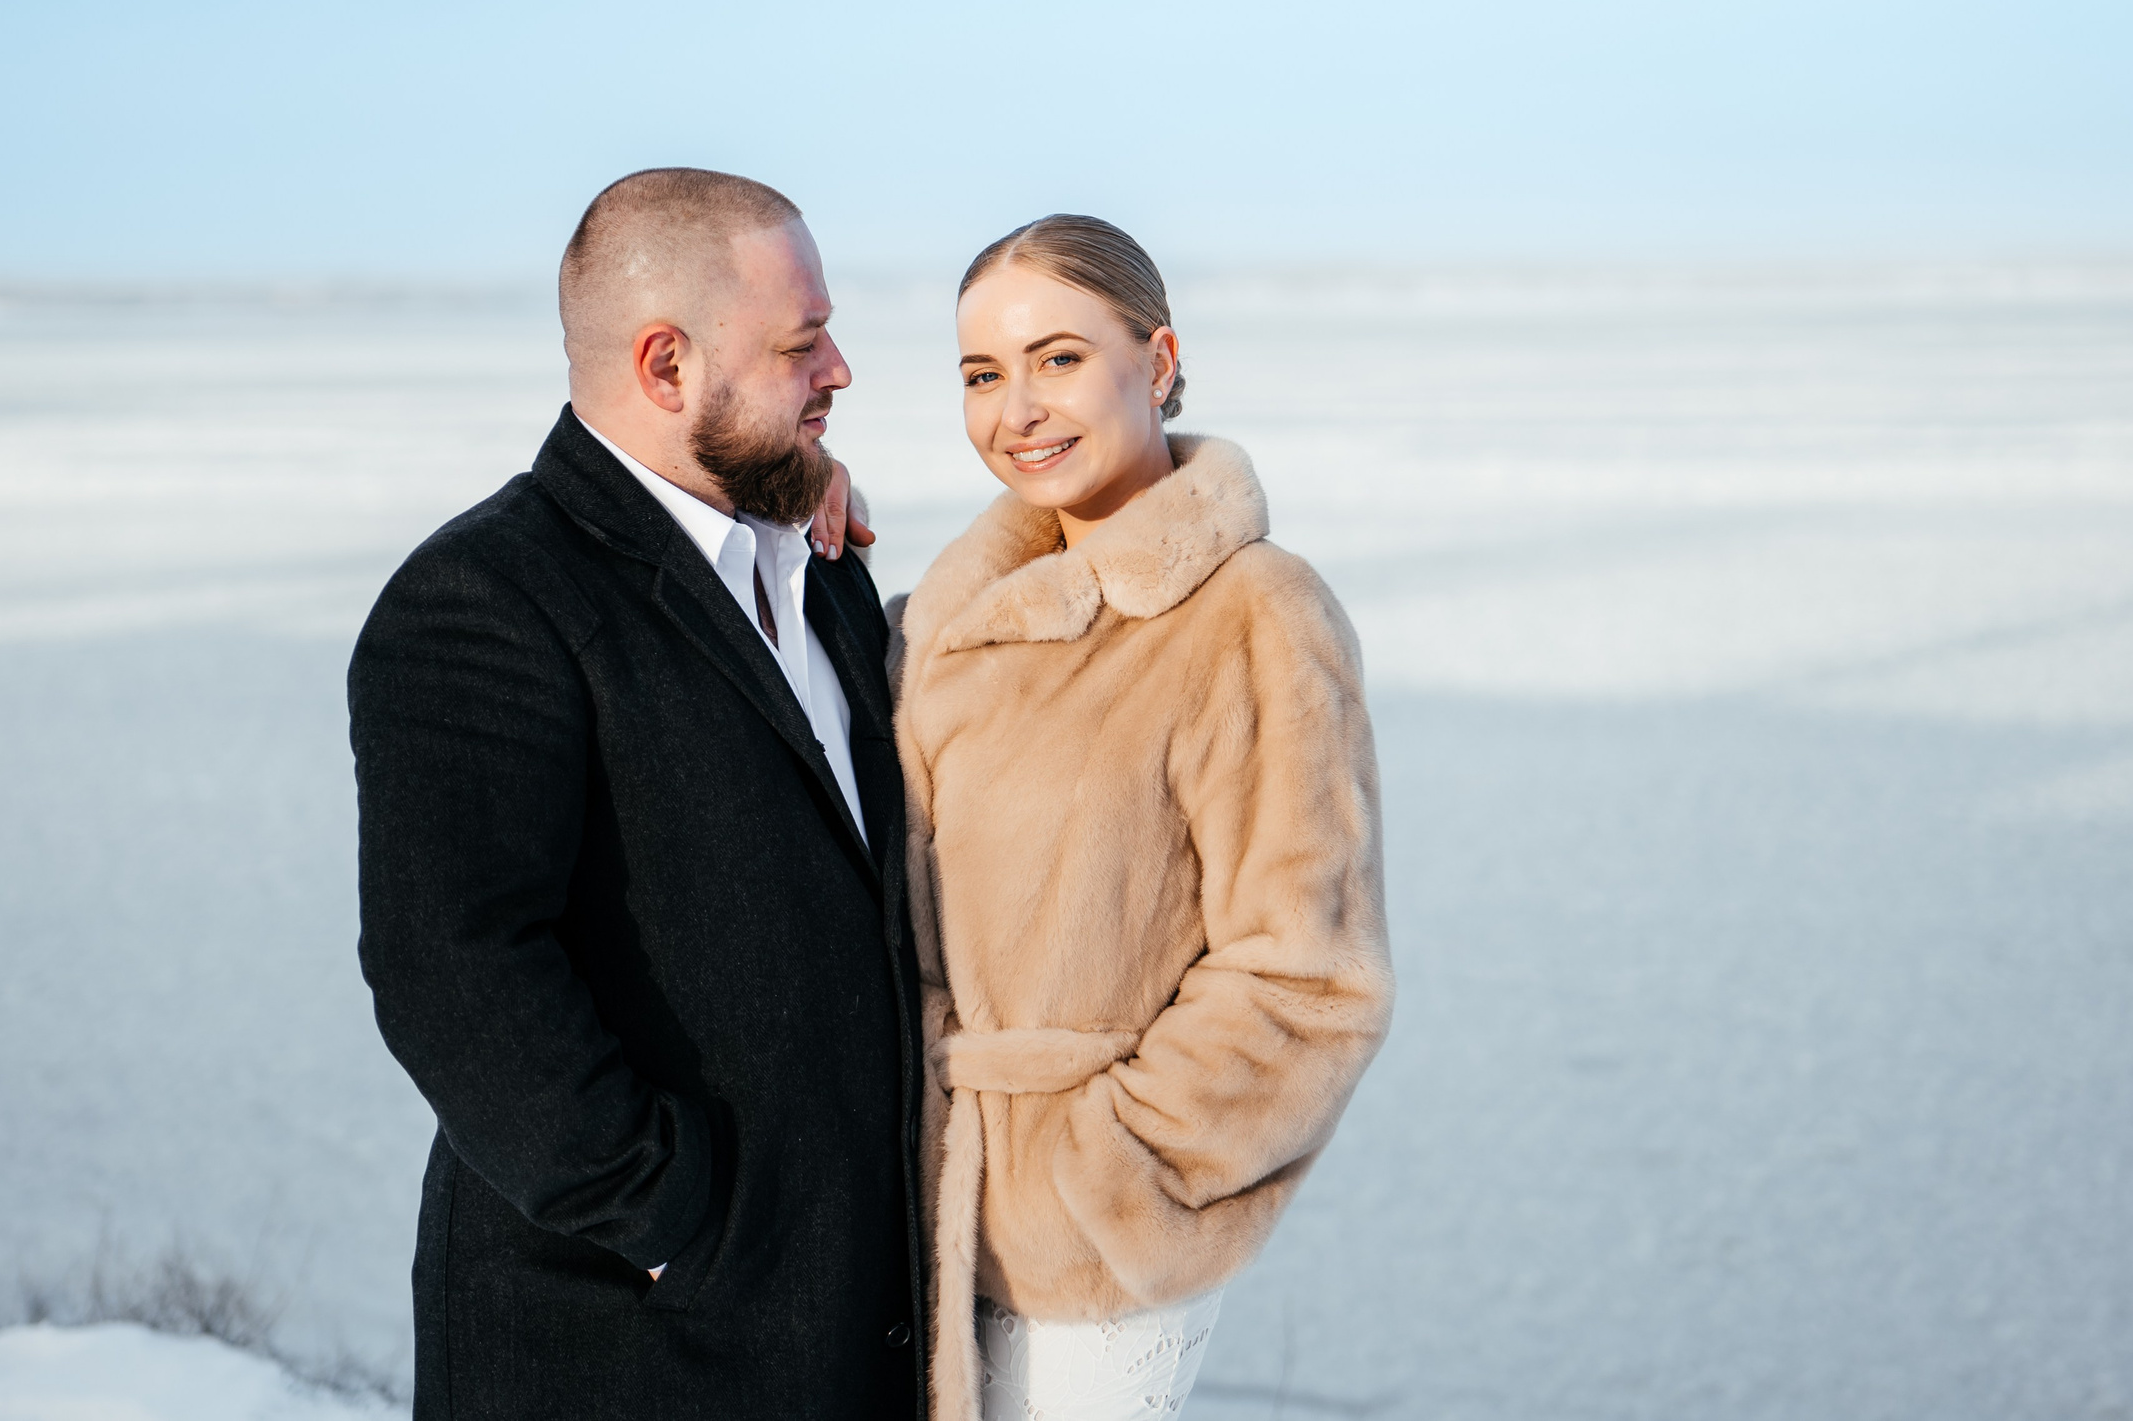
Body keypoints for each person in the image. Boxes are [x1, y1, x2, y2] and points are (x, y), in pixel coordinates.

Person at [350, 169, 918, 1420]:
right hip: (627, 1353)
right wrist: (684, 1227)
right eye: (802, 342)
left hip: (846, 1341)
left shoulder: (818, 568)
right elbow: (451, 970)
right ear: (666, 366)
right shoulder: (484, 602)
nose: (840, 371)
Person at [890, 215, 1395, 1420]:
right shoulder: (940, 623)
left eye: (1058, 358)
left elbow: (1309, 978)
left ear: (1157, 361)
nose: (1018, 407)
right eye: (981, 374)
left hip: (1095, 1250)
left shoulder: (1254, 614)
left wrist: (1109, 1185)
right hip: (919, 1209)